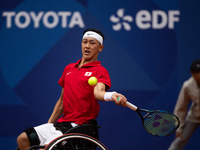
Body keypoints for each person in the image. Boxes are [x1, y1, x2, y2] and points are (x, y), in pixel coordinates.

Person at [16, 28, 127, 150]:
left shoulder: (100, 71)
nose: (87, 46)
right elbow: (62, 101)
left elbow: (98, 93)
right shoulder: (69, 69)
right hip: (61, 124)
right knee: (23, 139)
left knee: (45, 149)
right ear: (81, 44)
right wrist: (49, 125)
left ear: (100, 48)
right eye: (85, 42)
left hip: (79, 127)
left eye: (92, 43)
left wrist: (111, 95)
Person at [168, 60, 200, 150]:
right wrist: (179, 128)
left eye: (197, 71)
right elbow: (180, 107)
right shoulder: (187, 85)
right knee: (179, 139)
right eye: (193, 71)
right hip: (194, 116)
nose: (195, 74)